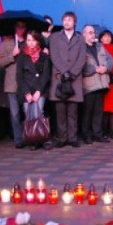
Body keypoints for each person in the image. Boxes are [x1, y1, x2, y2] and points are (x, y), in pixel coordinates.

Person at [48, 11, 86, 148]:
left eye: (69, 20)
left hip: (74, 79)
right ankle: (62, 137)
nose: (67, 22)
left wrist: (72, 73)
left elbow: (82, 58)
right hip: (59, 77)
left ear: (75, 22)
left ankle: (72, 137)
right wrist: (64, 72)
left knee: (73, 111)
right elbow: (54, 56)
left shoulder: (80, 38)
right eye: (64, 20)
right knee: (60, 111)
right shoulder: (54, 37)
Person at [16, 31, 51, 150]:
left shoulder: (44, 56)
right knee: (28, 114)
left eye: (33, 40)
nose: (31, 43)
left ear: (38, 41)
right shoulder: (22, 56)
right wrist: (26, 93)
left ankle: (42, 138)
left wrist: (38, 91)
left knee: (38, 112)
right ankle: (32, 139)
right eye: (28, 40)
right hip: (26, 90)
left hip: (40, 90)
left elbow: (46, 75)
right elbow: (19, 76)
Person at [81, 24, 112, 144]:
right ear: (83, 34)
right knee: (87, 112)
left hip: (101, 83)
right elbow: (79, 65)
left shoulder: (100, 46)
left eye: (93, 32)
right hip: (89, 85)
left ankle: (97, 134)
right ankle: (86, 135)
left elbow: (111, 60)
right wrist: (94, 69)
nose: (92, 34)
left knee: (98, 112)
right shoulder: (81, 47)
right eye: (89, 32)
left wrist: (106, 68)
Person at [0, 20, 27, 148]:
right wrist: (12, 55)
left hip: (27, 83)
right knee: (15, 114)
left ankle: (30, 136)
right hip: (12, 83)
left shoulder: (29, 43)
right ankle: (18, 139)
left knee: (28, 112)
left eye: (22, 27)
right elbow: (0, 63)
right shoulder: (7, 44)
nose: (20, 29)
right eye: (18, 27)